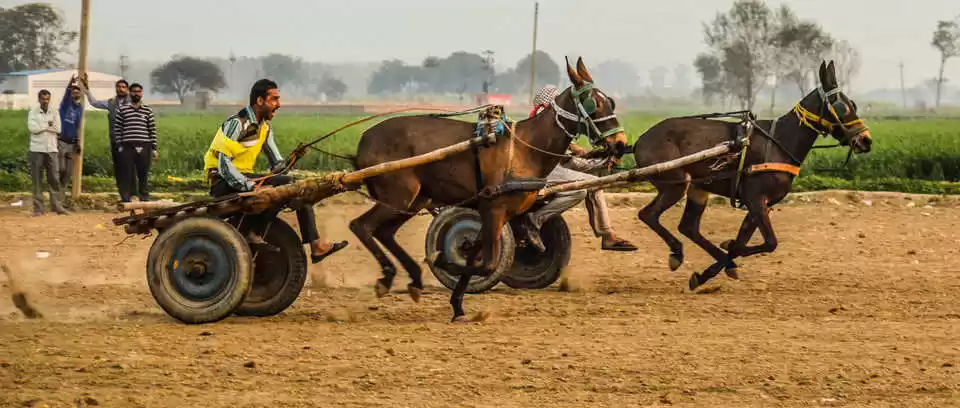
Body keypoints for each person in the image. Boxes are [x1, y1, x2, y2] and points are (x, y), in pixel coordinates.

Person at [202, 78, 348, 264]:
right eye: (274, 99)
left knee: (299, 188)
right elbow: (224, 165)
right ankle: (252, 231)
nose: (278, 104)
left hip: (244, 179)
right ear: (260, 101)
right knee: (289, 185)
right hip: (222, 182)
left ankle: (316, 245)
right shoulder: (238, 123)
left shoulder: (264, 128)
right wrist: (250, 186)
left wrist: (293, 158)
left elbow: (277, 166)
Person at [518, 84, 637, 252]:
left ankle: (607, 234)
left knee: (596, 184)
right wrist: (586, 156)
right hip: (545, 168)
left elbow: (569, 156)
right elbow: (559, 156)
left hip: (557, 164)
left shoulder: (551, 119)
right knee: (589, 185)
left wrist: (599, 159)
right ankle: (534, 220)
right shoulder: (545, 118)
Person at [79, 75, 129, 195]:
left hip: (129, 139)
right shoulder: (111, 102)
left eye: (123, 87)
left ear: (127, 89)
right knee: (118, 166)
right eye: (118, 87)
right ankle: (122, 191)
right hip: (115, 140)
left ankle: (132, 192)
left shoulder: (133, 102)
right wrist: (87, 91)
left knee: (129, 167)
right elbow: (95, 103)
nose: (120, 89)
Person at [26, 89, 68, 216]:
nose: (45, 101)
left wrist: (44, 127)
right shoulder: (33, 112)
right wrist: (47, 125)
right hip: (36, 149)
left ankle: (57, 206)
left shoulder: (54, 111)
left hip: (51, 149)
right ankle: (38, 208)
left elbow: (58, 129)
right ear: (39, 99)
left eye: (47, 99)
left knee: (54, 179)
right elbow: (32, 129)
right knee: (37, 180)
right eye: (43, 99)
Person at [113, 83, 157, 202]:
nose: (136, 94)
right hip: (127, 146)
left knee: (143, 174)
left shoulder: (147, 110)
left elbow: (152, 130)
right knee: (126, 173)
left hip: (145, 146)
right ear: (129, 93)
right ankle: (126, 198)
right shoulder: (123, 109)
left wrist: (154, 149)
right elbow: (117, 128)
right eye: (133, 91)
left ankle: (144, 197)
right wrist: (120, 145)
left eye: (138, 91)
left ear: (141, 94)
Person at [58, 76, 84, 192]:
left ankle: (60, 197)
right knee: (61, 168)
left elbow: (78, 126)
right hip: (61, 141)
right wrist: (70, 84)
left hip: (71, 144)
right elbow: (66, 95)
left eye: (78, 93)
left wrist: (78, 142)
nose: (76, 95)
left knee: (68, 172)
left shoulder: (79, 108)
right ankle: (55, 191)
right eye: (74, 93)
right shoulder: (65, 106)